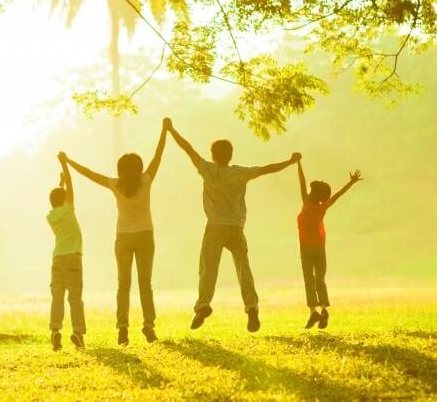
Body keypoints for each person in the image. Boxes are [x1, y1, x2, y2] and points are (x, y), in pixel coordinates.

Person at [166, 120, 300, 332]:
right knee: (243, 267)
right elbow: (267, 169)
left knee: (208, 269)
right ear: (230, 155)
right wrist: (291, 161)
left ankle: (202, 307)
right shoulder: (240, 173)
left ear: (213, 155)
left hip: (214, 227)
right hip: (236, 227)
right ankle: (252, 307)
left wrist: (171, 130)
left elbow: (188, 149)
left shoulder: (207, 170)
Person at [60, 119, 169, 346]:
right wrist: (164, 130)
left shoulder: (115, 184)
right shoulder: (146, 180)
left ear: (120, 169)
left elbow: (89, 173)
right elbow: (158, 156)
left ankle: (122, 328)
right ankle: (149, 326)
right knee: (145, 282)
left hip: (123, 238)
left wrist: (68, 162)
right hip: (145, 235)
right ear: (139, 168)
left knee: (123, 284)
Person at [296, 160, 362, 329]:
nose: (308, 191)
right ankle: (323, 310)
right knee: (320, 280)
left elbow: (302, 182)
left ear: (313, 194)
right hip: (319, 248)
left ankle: (313, 312)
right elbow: (337, 195)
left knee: (309, 280)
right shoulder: (322, 207)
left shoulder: (306, 203)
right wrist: (351, 182)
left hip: (306, 249)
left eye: (311, 191)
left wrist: (298, 163)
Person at [46, 156, 85, 350]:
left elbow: (57, 198)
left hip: (57, 259)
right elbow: (70, 184)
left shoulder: (52, 216)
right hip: (73, 258)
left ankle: (55, 330)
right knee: (75, 298)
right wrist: (65, 163)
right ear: (64, 199)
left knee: (57, 297)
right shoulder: (69, 210)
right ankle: (77, 332)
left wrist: (59, 183)